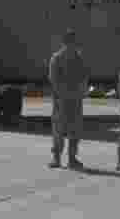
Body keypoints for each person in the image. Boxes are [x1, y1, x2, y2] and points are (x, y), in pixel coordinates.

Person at [48, 28, 88, 169]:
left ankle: (72, 159)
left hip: (75, 100)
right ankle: (56, 158)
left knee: (75, 130)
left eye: (74, 42)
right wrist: (64, 94)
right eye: (69, 41)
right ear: (65, 42)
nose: (72, 44)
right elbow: (54, 80)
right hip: (61, 100)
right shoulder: (57, 58)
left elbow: (84, 77)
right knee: (58, 130)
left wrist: (81, 92)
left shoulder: (79, 58)